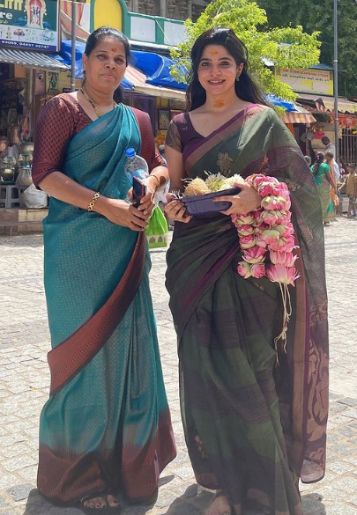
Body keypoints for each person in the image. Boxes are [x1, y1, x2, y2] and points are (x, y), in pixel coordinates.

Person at [164, 28, 328, 515]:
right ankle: (226, 487)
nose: (214, 72)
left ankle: (269, 487)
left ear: (239, 69)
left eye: (224, 62)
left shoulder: (264, 121)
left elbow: (301, 190)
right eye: (205, 63)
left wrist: (261, 193)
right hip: (193, 263)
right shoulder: (181, 125)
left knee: (252, 370)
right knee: (204, 372)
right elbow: (179, 193)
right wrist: (173, 208)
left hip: (249, 264)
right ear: (197, 72)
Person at [32, 27, 176, 513]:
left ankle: (129, 467)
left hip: (126, 247)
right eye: (102, 57)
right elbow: (45, 175)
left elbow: (157, 164)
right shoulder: (62, 110)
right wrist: (105, 206)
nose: (110, 66)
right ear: (85, 62)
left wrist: (154, 183)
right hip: (76, 252)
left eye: (119, 58)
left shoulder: (136, 116)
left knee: (127, 352)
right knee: (83, 359)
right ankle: (77, 474)